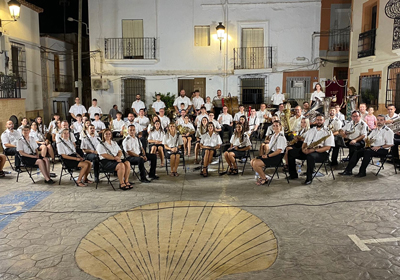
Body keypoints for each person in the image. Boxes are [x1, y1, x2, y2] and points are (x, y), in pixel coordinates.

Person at [288, 114, 334, 185]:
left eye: (321, 120)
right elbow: (305, 142)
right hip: (308, 149)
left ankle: (309, 178)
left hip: (321, 152)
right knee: (291, 152)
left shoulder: (328, 132)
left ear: (324, 121)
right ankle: (293, 175)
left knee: (311, 156)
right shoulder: (311, 130)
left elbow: (328, 147)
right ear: (315, 121)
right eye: (317, 120)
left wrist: (313, 150)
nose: (319, 121)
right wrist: (303, 149)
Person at [251, 120, 287, 185]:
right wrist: (266, 155)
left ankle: (264, 178)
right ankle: (262, 176)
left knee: (256, 163)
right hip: (271, 154)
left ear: (280, 127)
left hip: (276, 157)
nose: (275, 127)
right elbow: (270, 147)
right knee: (252, 161)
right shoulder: (273, 136)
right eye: (274, 126)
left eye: (277, 126)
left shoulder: (281, 137)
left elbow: (279, 151)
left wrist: (268, 156)